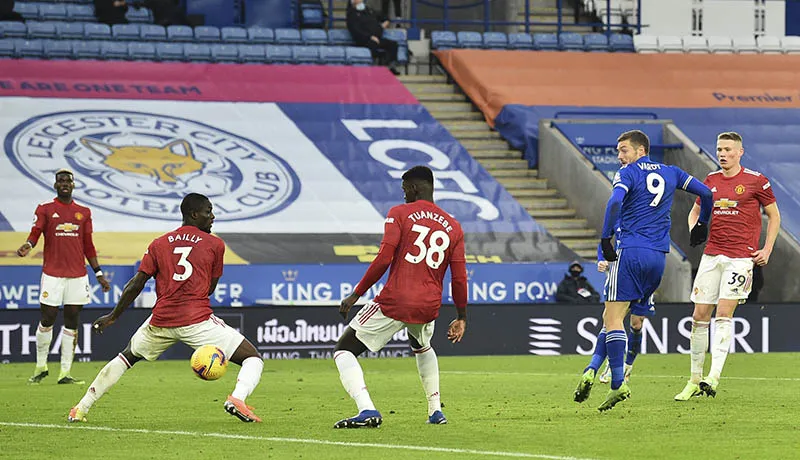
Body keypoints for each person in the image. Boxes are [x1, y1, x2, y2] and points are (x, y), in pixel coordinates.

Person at [68, 193, 264, 423]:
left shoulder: (159, 243)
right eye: (208, 212)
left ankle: (80, 408)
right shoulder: (215, 244)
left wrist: (113, 315)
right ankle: (237, 399)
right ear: (193, 214)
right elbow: (209, 289)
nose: (213, 217)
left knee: (126, 357)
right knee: (253, 359)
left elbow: (136, 283)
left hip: (160, 321)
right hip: (197, 320)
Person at [573, 130, 713, 411]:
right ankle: (592, 369)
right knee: (613, 316)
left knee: (613, 320)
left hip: (631, 252)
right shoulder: (671, 172)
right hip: (659, 257)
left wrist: (604, 239)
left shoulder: (628, 173)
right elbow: (707, 193)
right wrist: (702, 225)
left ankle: (617, 383)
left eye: (623, 150)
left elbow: (614, 203)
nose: (619, 156)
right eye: (618, 151)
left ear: (640, 150)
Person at [333, 165, 468, 428]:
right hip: (429, 305)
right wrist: (462, 316)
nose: (403, 195)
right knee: (421, 346)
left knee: (343, 350)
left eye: (405, 189)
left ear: (415, 188)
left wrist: (356, 294)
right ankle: (435, 411)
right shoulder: (453, 226)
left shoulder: (400, 213)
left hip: (396, 300)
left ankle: (366, 409)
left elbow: (384, 258)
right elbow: (460, 278)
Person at [674, 132, 780, 401]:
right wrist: (695, 229)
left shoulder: (756, 181)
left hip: (740, 258)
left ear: (740, 152)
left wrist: (767, 249)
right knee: (699, 315)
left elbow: (774, 215)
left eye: (728, 149)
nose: (722, 154)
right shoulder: (710, 181)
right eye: (719, 149)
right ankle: (694, 379)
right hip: (712, 256)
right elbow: (695, 211)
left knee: (723, 313)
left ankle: (714, 376)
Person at [17, 169, 110, 385]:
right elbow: (36, 232)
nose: (64, 183)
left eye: (68, 180)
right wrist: (29, 245)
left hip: (77, 275)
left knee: (72, 321)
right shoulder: (45, 209)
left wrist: (99, 274)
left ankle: (65, 373)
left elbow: (88, 245)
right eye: (60, 181)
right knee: (48, 316)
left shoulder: (83, 212)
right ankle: (41, 366)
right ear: (55, 185)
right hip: (52, 274)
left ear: (73, 184)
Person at [346, 0, 400, 75]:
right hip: (365, 40)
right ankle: (376, 68)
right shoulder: (351, 14)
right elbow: (355, 30)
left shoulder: (369, 10)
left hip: (377, 38)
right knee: (373, 45)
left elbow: (383, 16)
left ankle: (391, 67)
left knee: (393, 44)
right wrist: (369, 37)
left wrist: (386, 21)